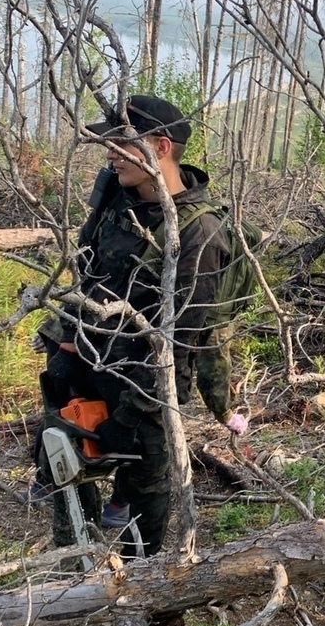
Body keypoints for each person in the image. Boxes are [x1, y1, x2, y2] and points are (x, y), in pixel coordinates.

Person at [44, 94, 247, 559]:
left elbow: (178, 342)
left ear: (159, 147)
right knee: (63, 467)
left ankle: (148, 592)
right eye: (108, 143)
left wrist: (130, 414)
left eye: (121, 143)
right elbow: (88, 274)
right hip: (87, 361)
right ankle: (73, 566)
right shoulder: (117, 197)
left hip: (145, 390)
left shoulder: (200, 232)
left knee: (147, 502)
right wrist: (67, 346)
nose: (109, 154)